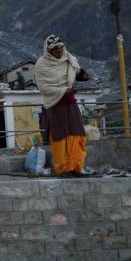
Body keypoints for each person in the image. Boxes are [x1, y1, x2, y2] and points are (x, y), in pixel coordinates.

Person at [35, 34, 91, 178]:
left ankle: (76, 167)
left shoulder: (69, 59)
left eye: (61, 49)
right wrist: (63, 90)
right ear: (49, 52)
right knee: (61, 137)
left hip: (71, 103)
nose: (60, 53)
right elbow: (43, 87)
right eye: (56, 51)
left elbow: (76, 72)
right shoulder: (42, 65)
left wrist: (84, 76)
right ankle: (62, 169)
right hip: (55, 104)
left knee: (76, 134)